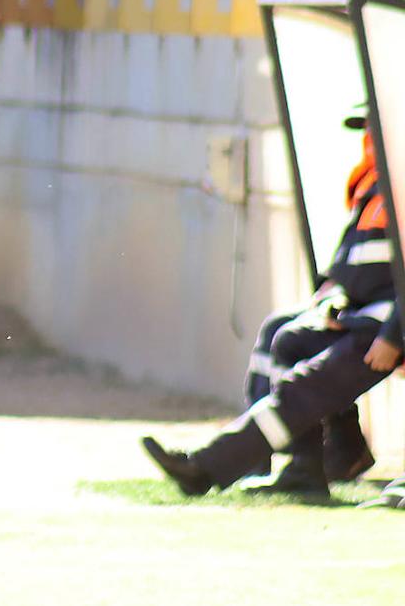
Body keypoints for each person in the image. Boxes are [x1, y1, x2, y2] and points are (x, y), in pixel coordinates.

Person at [142, 125, 403, 498]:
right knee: (289, 339)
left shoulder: (398, 183)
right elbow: (356, 262)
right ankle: (304, 468)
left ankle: (205, 467)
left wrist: (393, 335)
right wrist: (334, 300)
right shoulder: (377, 185)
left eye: (376, 127)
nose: (369, 138)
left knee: (307, 387)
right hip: (362, 316)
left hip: (384, 328)